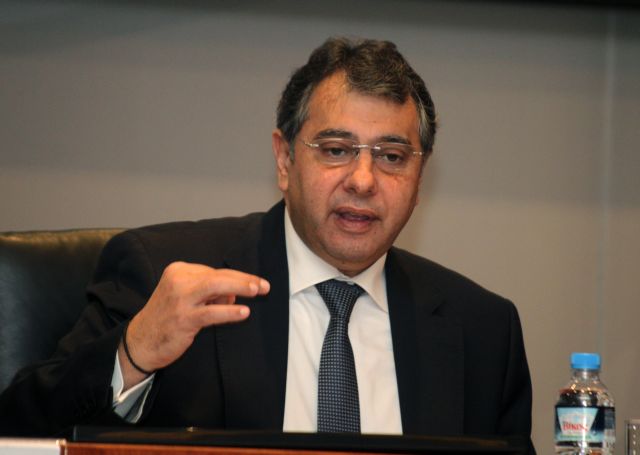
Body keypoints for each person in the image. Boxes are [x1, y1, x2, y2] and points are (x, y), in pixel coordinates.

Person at [0, 37, 533, 447]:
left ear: (419, 177)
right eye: (336, 149)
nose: (363, 180)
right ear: (284, 159)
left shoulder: (483, 331)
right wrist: (133, 353)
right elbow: (18, 430)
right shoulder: (163, 273)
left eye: (391, 157)